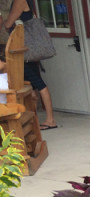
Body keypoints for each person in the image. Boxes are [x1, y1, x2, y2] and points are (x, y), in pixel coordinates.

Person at [1, 0, 57, 129]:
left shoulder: (19, 1)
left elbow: (9, 23)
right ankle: (36, 120)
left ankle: (50, 120)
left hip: (24, 51)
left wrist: (5, 22)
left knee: (37, 84)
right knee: (31, 85)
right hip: (28, 50)